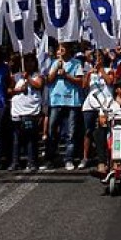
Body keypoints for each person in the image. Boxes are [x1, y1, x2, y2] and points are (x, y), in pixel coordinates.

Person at [44, 42, 85, 171]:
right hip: (56, 101)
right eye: (59, 49)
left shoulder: (76, 63)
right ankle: (50, 158)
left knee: (70, 132)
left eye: (63, 49)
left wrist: (66, 75)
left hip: (71, 101)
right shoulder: (55, 63)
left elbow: (80, 81)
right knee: (52, 131)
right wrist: (56, 70)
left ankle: (69, 158)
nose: (61, 52)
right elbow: (49, 80)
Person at [9, 53, 44, 172]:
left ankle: (32, 162)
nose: (29, 64)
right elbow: (8, 90)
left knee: (31, 138)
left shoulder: (37, 76)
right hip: (17, 111)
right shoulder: (16, 76)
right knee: (16, 139)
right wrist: (17, 90)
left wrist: (28, 78)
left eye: (31, 61)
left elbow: (38, 85)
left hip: (30, 111)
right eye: (27, 61)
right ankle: (15, 162)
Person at [81, 50, 115, 169]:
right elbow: (84, 85)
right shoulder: (89, 71)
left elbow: (110, 81)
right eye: (95, 57)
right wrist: (89, 74)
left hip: (105, 105)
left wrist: (101, 70)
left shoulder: (108, 70)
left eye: (99, 56)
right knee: (88, 132)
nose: (97, 59)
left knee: (104, 131)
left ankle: (106, 157)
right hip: (90, 104)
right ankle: (85, 157)